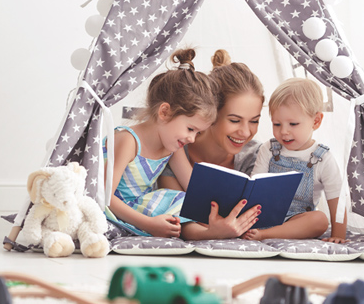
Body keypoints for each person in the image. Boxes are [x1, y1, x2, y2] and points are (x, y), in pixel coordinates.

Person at [104, 48, 259, 240]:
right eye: (190, 129)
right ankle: (210, 233)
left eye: (197, 132)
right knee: (175, 199)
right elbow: (104, 196)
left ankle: (213, 231)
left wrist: (222, 213)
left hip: (141, 205)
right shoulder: (128, 141)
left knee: (186, 200)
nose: (192, 139)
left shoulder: (171, 146)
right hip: (116, 209)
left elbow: (194, 188)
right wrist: (149, 225)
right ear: (165, 112)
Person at [158, 49, 266, 239]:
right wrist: (213, 232)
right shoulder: (175, 147)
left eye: (254, 121)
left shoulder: (256, 155)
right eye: (234, 120)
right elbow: (175, 218)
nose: (246, 132)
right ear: (212, 114)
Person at [243, 77, 349, 242]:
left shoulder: (323, 159)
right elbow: (255, 185)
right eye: (277, 124)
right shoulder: (268, 149)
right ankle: (259, 230)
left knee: (320, 220)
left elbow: (336, 200)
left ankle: (266, 235)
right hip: (264, 215)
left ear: (316, 121)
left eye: (293, 124)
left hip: (297, 219)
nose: (283, 131)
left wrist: (338, 235)